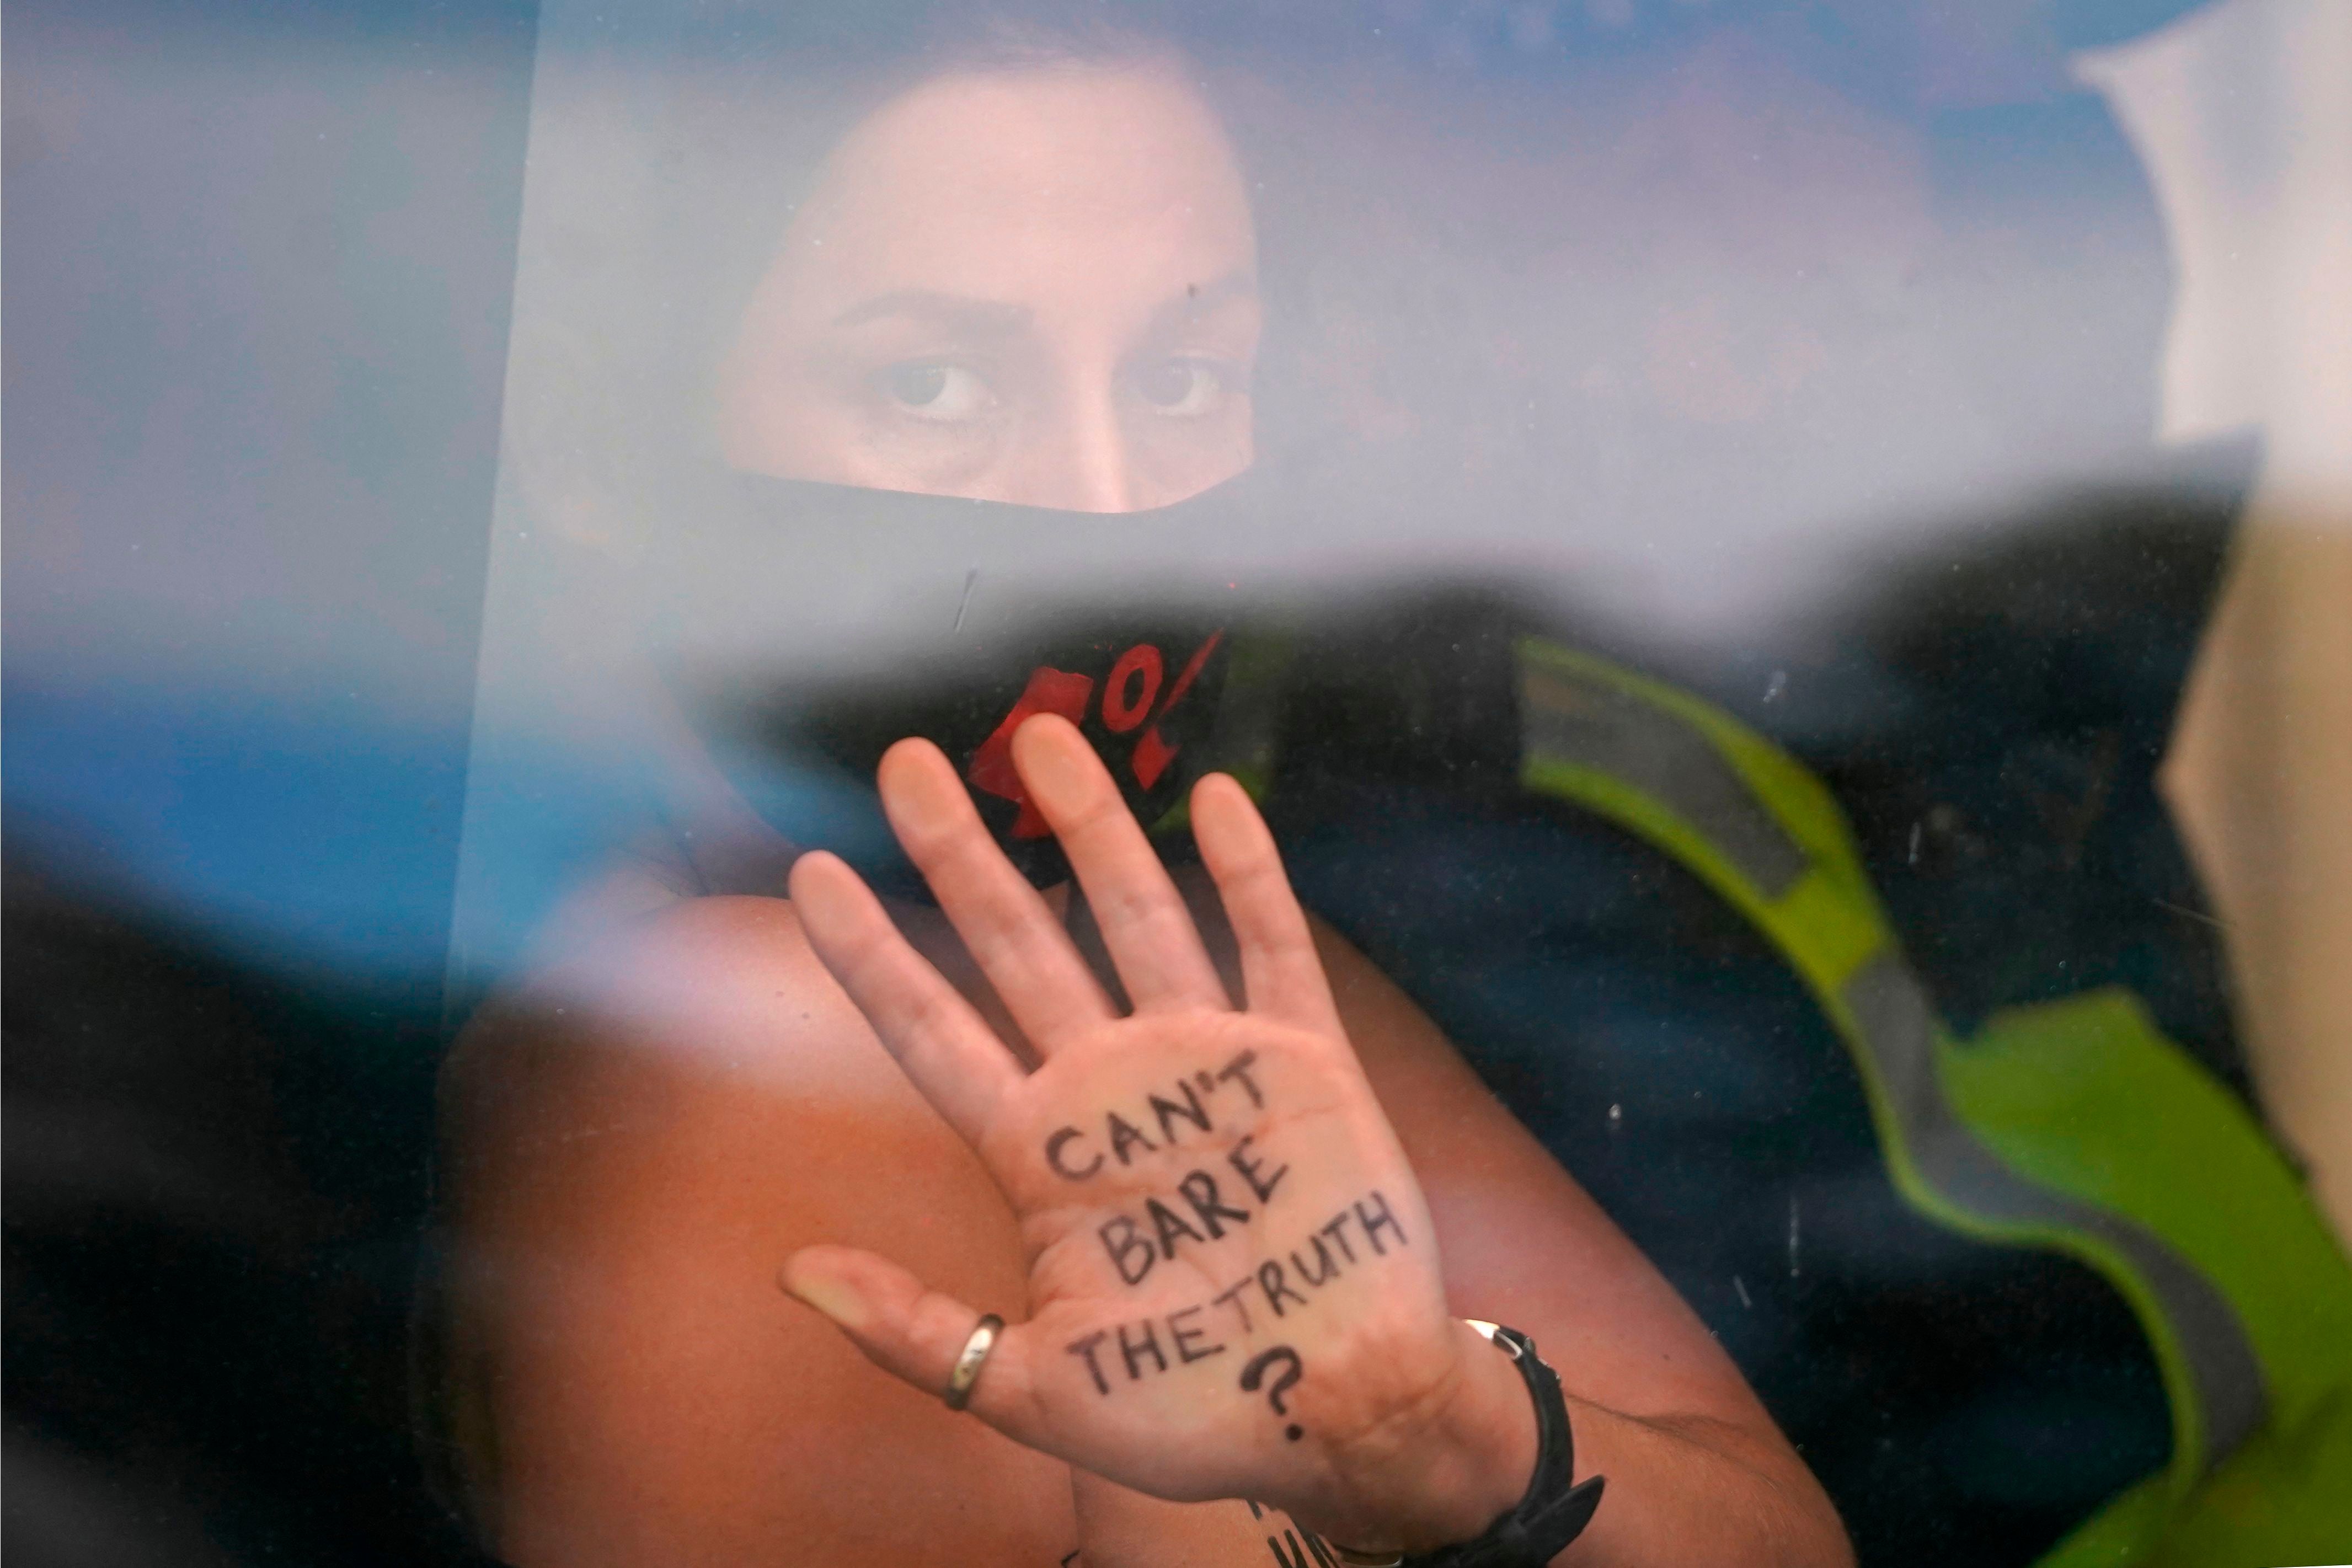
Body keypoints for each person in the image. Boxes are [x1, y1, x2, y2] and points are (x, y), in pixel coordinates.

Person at [431, 25, 1851, 1568]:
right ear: (625, 429)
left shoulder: (1172, 960)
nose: (1109, 509)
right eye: (933, 382)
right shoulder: (737, 1055)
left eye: (1179, 376)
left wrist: (1444, 1436)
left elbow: (1779, 1540)